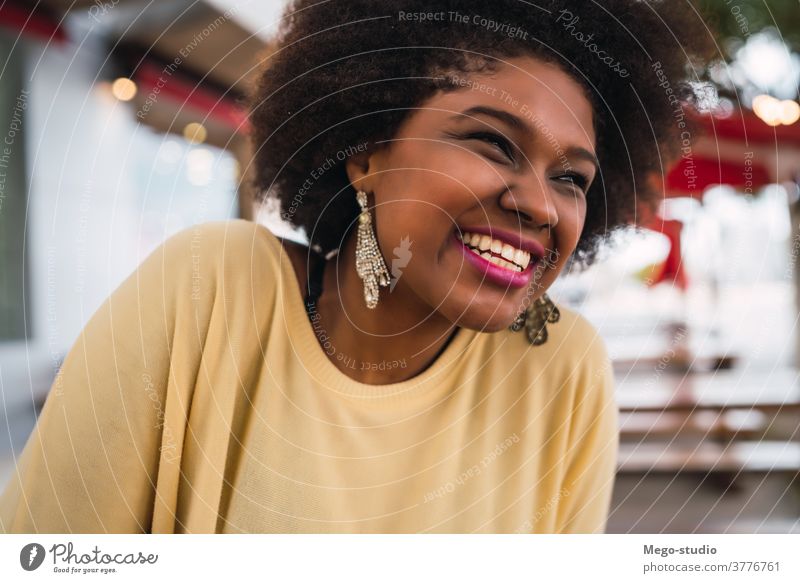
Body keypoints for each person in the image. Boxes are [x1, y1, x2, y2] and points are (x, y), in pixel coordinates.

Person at [0, 0, 715, 533]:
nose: (537, 202)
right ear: (366, 150)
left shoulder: (563, 371)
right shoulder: (209, 289)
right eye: (493, 143)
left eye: (571, 178)